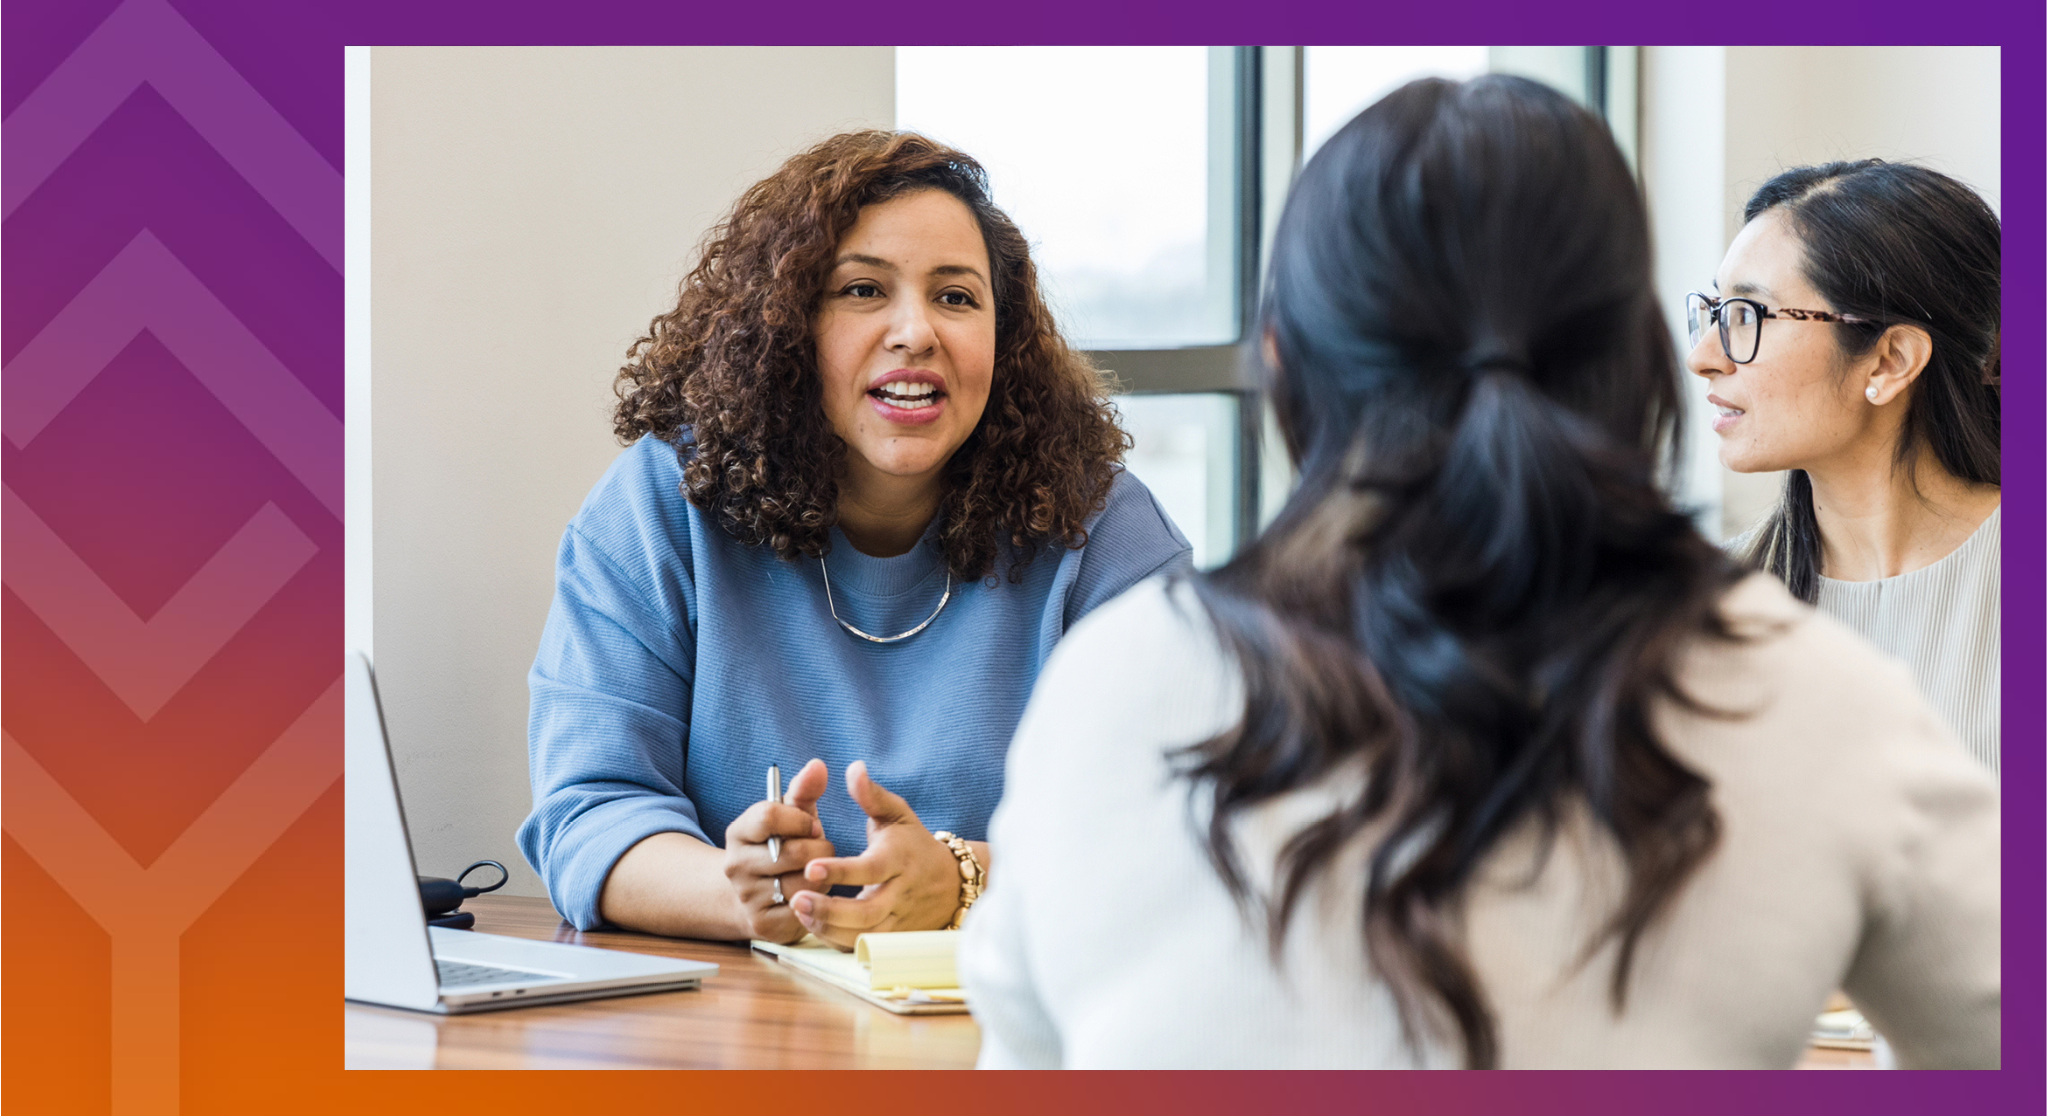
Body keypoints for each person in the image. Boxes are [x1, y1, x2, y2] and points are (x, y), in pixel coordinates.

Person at [958, 76, 1999, 1069]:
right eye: (1701, 316)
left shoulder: (1111, 689)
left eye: (1746, 319)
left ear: (1279, 356)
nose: (1707, 355)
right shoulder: (1810, 697)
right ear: (1636, 358)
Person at [517, 131, 1191, 947]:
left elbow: (1187, 831)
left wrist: (963, 879)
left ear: (1003, 342)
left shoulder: (1104, 531)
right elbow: (588, 810)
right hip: (735, 1035)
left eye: (957, 297)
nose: (916, 332)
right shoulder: (661, 506)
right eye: (863, 290)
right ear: (786, 328)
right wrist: (746, 894)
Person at [1688, 161, 2001, 771]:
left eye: (1747, 315)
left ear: (1888, 361)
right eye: (1715, 310)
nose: (1704, 356)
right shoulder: (1705, 608)